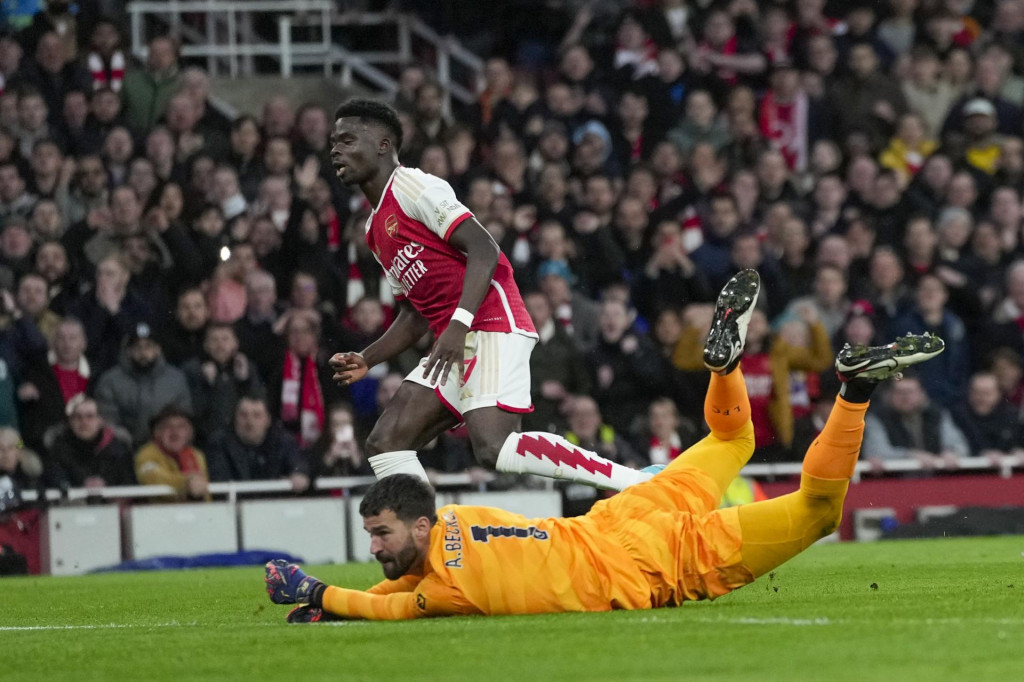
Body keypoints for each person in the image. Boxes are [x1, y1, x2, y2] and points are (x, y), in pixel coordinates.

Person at [264, 270, 946, 621]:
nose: (376, 550)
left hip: (656, 561)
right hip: (628, 513)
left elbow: (387, 604)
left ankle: (853, 394)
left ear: (419, 522)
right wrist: (332, 602)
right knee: (733, 435)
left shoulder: (448, 594)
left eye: (380, 535)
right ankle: (724, 365)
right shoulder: (459, 527)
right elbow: (402, 577)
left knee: (818, 512)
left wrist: (318, 592)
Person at [326, 99, 653, 492]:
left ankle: (635, 481)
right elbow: (414, 312)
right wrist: (368, 357)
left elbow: (485, 250)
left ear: (382, 144)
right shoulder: (374, 229)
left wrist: (457, 325)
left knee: (493, 447)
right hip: (454, 339)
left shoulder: (414, 186)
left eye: (347, 140)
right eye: (333, 142)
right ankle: (427, 544)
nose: (335, 150)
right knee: (385, 443)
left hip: (492, 322)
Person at [205, 396, 310, 491]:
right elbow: (220, 479)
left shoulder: (282, 440)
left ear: (268, 420)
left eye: (257, 415)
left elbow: (298, 462)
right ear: (235, 418)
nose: (250, 422)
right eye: (243, 415)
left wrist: (299, 473)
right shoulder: (220, 442)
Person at [134, 404, 210, 502]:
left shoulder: (196, 455)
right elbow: (153, 478)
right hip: (158, 515)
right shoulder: (146, 454)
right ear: (157, 432)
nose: (175, 432)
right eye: (168, 426)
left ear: (190, 433)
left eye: (181, 427)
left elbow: (205, 494)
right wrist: (186, 483)